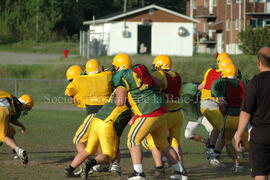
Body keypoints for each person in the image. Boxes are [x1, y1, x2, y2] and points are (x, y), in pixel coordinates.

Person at [112, 53, 186, 180]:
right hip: (162, 110)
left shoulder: (121, 76)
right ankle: (180, 172)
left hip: (147, 112)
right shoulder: (140, 68)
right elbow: (157, 83)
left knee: (132, 140)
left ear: (120, 66)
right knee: (163, 144)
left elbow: (120, 102)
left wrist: (114, 98)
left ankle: (138, 173)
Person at [64, 90, 132, 179]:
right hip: (106, 124)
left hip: (96, 120)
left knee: (88, 150)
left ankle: (69, 170)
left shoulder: (116, 90)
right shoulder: (132, 94)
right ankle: (89, 164)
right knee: (109, 155)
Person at [141, 55, 187, 178]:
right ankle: (181, 169)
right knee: (175, 142)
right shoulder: (177, 75)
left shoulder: (159, 74)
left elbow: (152, 87)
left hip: (165, 113)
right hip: (177, 113)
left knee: (155, 140)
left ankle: (159, 168)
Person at [235, 47, 270, 180]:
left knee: (260, 174)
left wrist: (239, 134)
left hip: (261, 135)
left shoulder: (255, 82)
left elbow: (246, 112)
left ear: (259, 62)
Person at [211, 64, 249, 172]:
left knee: (227, 141)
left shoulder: (222, 83)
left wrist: (224, 114)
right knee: (246, 142)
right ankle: (256, 162)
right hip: (244, 116)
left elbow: (221, 104)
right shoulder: (243, 82)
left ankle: (237, 165)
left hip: (231, 116)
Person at [0, 91, 34, 164]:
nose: (26, 110)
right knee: (3, 136)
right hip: (3, 111)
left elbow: (12, 120)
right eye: (27, 108)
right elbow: (13, 120)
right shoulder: (14, 105)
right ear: (25, 104)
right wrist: (22, 126)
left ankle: (16, 150)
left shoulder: (13, 102)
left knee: (10, 131)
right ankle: (18, 151)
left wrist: (21, 125)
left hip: (3, 111)